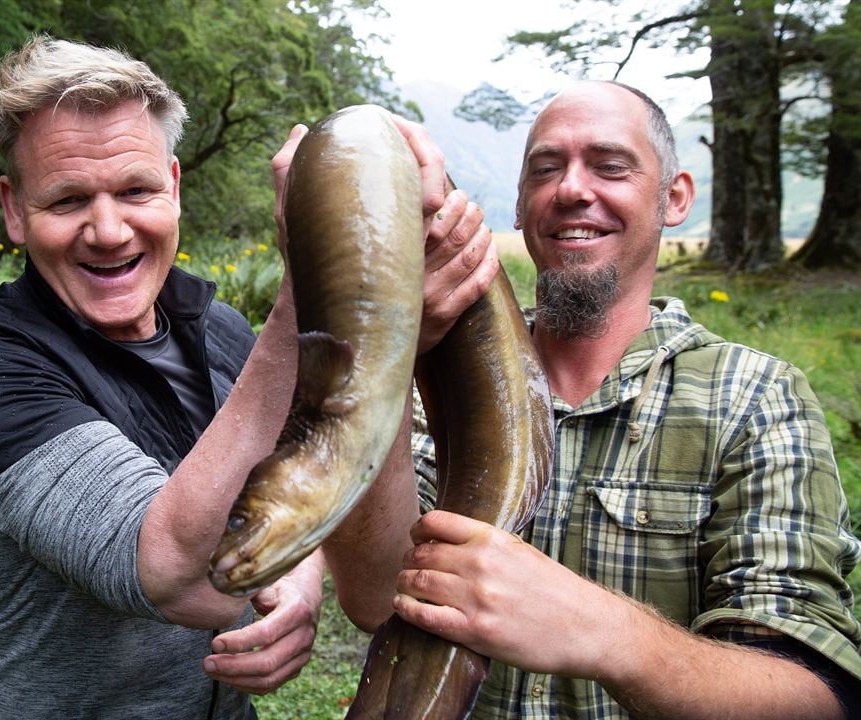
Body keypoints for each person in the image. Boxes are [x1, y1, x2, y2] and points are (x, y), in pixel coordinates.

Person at [0, 36, 496, 719]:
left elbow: (295, 480)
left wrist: (301, 577)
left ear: (174, 186)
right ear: (15, 210)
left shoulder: (220, 330)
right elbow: (173, 572)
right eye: (69, 200)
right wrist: (310, 283)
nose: (109, 230)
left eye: (135, 189)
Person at [333, 80, 861, 719]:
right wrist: (392, 356)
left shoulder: (755, 399)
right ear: (522, 205)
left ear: (674, 198)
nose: (572, 189)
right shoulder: (427, 387)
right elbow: (372, 597)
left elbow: (815, 697)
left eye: (610, 166)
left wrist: (604, 633)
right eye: (545, 169)